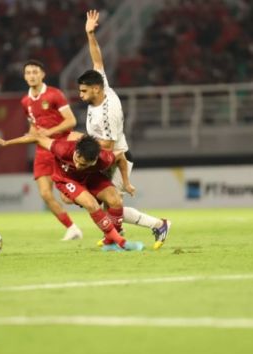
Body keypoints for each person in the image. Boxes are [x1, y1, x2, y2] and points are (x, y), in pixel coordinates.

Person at [79, 10, 170, 249]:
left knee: (111, 201)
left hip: (117, 159)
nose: (81, 95)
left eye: (83, 91)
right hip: (107, 157)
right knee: (108, 204)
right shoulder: (101, 87)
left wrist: (80, 148)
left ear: (95, 90)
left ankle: (154, 226)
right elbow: (98, 60)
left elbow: (107, 148)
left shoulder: (108, 112)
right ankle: (119, 233)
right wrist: (90, 34)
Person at [0, 133, 144, 252]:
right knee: (91, 204)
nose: (77, 164)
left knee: (115, 200)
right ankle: (121, 242)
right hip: (66, 179)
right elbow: (37, 137)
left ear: (94, 160)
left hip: (91, 177)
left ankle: (110, 242)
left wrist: (126, 183)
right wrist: (6, 143)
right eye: (77, 159)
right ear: (76, 151)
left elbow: (121, 157)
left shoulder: (104, 158)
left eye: (83, 164)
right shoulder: (63, 148)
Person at [17, 59, 83, 241]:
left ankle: (99, 205)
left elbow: (71, 121)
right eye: (28, 72)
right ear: (24, 76)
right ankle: (72, 228)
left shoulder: (55, 94)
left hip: (60, 148)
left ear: (42, 74)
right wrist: (29, 136)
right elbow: (33, 127)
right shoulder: (25, 101)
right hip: (42, 152)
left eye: (35, 72)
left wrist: (49, 132)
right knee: (45, 194)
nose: (31, 75)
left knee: (67, 198)